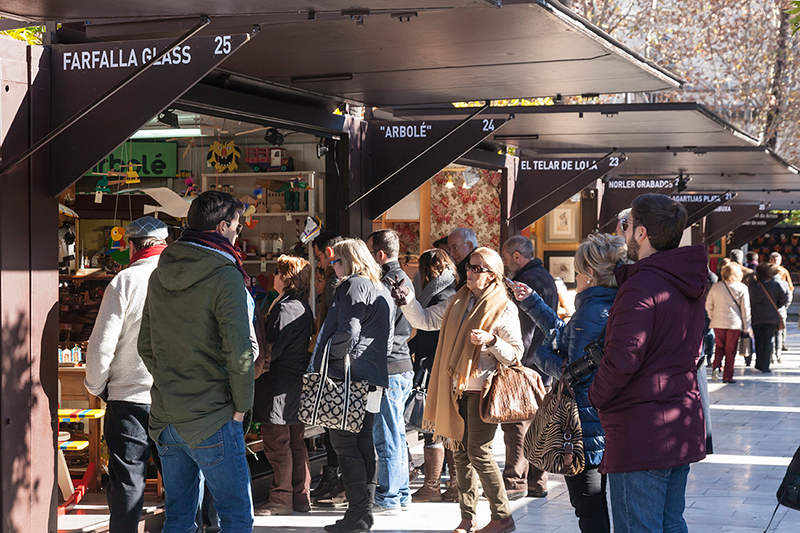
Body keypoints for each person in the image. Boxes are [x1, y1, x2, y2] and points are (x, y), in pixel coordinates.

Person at [588, 193, 708, 533]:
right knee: (670, 524)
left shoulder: (642, 285)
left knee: (640, 527)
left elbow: (624, 356)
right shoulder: (685, 278)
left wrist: (596, 396)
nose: (623, 233)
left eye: (626, 226)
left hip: (642, 430)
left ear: (641, 233)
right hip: (677, 418)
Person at [138, 191, 256, 533]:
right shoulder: (226, 274)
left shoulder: (161, 271)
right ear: (222, 227)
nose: (239, 232)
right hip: (214, 415)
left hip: (167, 413)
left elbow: (145, 344)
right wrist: (240, 409)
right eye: (236, 226)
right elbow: (239, 351)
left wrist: (170, 381)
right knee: (236, 518)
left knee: (178, 518)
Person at [511, 233, 625, 533]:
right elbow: (569, 335)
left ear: (589, 274)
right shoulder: (606, 304)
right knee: (597, 507)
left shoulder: (592, 309)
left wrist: (539, 354)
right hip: (597, 422)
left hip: (584, 428)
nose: (575, 277)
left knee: (589, 509)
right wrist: (533, 302)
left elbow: (571, 371)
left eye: (577, 271)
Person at [424, 247, 523, 533]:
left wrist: (491, 341)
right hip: (456, 388)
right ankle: (468, 518)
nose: (469, 271)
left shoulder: (504, 306)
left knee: (479, 452)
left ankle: (503, 516)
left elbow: (516, 353)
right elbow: (427, 321)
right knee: (459, 453)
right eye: (469, 266)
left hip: (484, 390)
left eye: (477, 268)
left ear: (492, 276)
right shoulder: (458, 301)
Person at [84, 216, 168, 533]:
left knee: (126, 484)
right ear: (164, 245)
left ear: (131, 245)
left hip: (128, 397)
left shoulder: (124, 281)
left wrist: (96, 384)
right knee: (181, 481)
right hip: (174, 397)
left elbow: (101, 346)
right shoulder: (185, 278)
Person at [311, 238, 393, 533]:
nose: (332, 267)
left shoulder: (351, 285)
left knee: (345, 444)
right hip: (372, 377)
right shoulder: (379, 286)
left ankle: (359, 514)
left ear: (349, 260)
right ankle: (361, 514)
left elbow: (348, 332)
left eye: (335, 261)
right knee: (362, 443)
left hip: (348, 377)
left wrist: (327, 359)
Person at [252, 255, 315, 516]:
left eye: (278, 272)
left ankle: (281, 499)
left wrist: (254, 368)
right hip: (292, 384)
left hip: (280, 385)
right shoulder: (300, 306)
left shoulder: (288, 307)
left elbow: (271, 347)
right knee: (295, 442)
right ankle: (300, 497)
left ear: (288, 277)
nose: (274, 276)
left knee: (278, 444)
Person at [396, 249, 459, 503]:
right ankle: (451, 485)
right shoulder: (451, 292)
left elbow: (427, 333)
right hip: (441, 365)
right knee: (444, 427)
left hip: (433, 366)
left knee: (434, 426)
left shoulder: (439, 296)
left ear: (426, 271)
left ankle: (434, 485)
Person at [499, 235, 558, 500]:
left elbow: (525, 329)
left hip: (529, 362)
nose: (504, 263)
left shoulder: (528, 281)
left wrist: (515, 362)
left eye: (505, 257)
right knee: (539, 424)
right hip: (544, 364)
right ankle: (537, 480)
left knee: (518, 424)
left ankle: (515, 482)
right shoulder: (544, 275)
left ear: (516, 256)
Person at [365, 229, 415, 514]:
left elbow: (384, 332)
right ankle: (401, 492)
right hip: (400, 364)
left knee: (386, 434)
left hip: (389, 368)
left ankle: (389, 495)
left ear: (379, 255)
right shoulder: (403, 278)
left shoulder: (387, 282)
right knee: (394, 432)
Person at [311, 229, 346, 506]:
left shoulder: (337, 284)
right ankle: (338, 478)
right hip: (337, 361)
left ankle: (336, 478)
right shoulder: (345, 282)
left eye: (320, 257)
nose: (319, 264)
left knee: (334, 424)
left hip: (333, 363)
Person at [706, 261, 751, 384]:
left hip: (718, 322)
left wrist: (712, 316)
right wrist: (747, 326)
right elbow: (745, 309)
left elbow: (708, 305)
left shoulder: (716, 286)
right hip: (734, 323)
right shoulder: (742, 288)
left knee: (719, 347)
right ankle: (727, 376)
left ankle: (716, 366)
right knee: (730, 350)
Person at [749, 261, 790, 373]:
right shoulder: (775, 284)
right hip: (771, 317)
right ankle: (765, 365)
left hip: (756, 316)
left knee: (758, 339)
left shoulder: (753, 285)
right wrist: (775, 305)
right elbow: (784, 298)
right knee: (768, 340)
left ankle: (758, 362)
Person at [769, 252, 793, 354]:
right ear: (770, 260)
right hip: (770, 302)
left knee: (782, 325)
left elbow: (790, 286)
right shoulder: (767, 271)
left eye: (777, 261)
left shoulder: (784, 271)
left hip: (780, 301)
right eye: (773, 260)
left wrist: (786, 302)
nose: (775, 263)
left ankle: (781, 343)